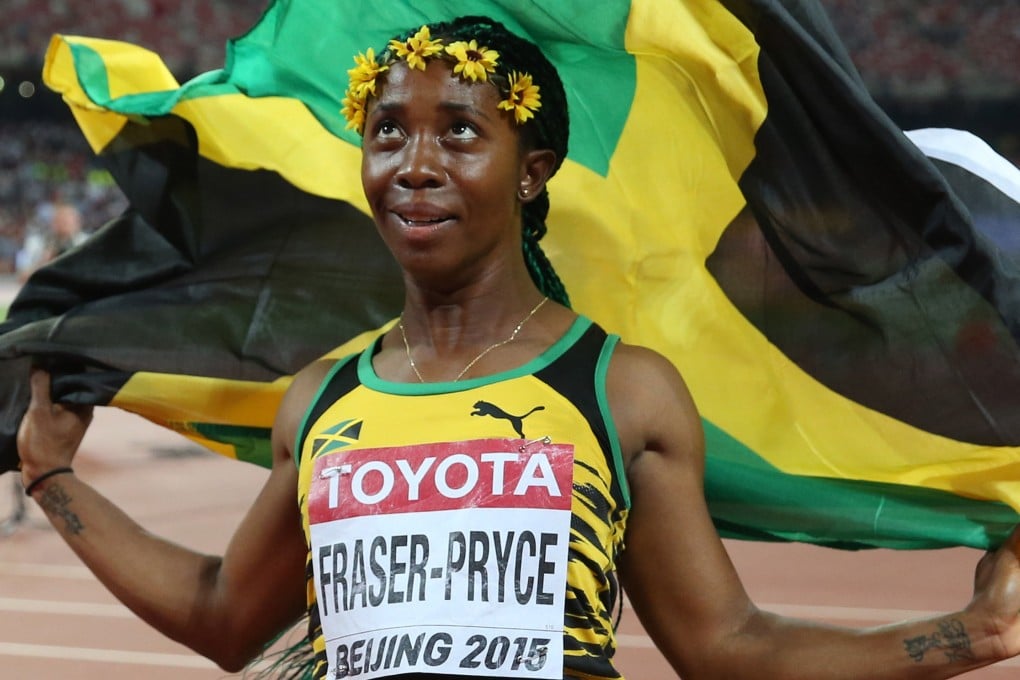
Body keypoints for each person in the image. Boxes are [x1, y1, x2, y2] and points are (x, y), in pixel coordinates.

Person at [15, 15, 1020, 680]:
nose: (414, 163)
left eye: (459, 131)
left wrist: (967, 636)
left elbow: (727, 642)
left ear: (532, 168)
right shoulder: (323, 399)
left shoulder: (619, 388)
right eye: (388, 132)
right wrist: (53, 474)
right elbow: (227, 614)